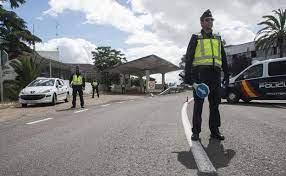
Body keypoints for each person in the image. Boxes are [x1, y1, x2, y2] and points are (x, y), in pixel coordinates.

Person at [184, 9, 229, 141]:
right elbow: (189, 57)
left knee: (215, 105)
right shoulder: (196, 37)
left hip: (215, 75)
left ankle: (215, 131)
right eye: (207, 20)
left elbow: (223, 57)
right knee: (198, 105)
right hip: (200, 75)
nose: (210, 22)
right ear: (201, 22)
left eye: (211, 20)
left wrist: (226, 73)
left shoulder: (218, 38)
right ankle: (196, 132)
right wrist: (188, 76)